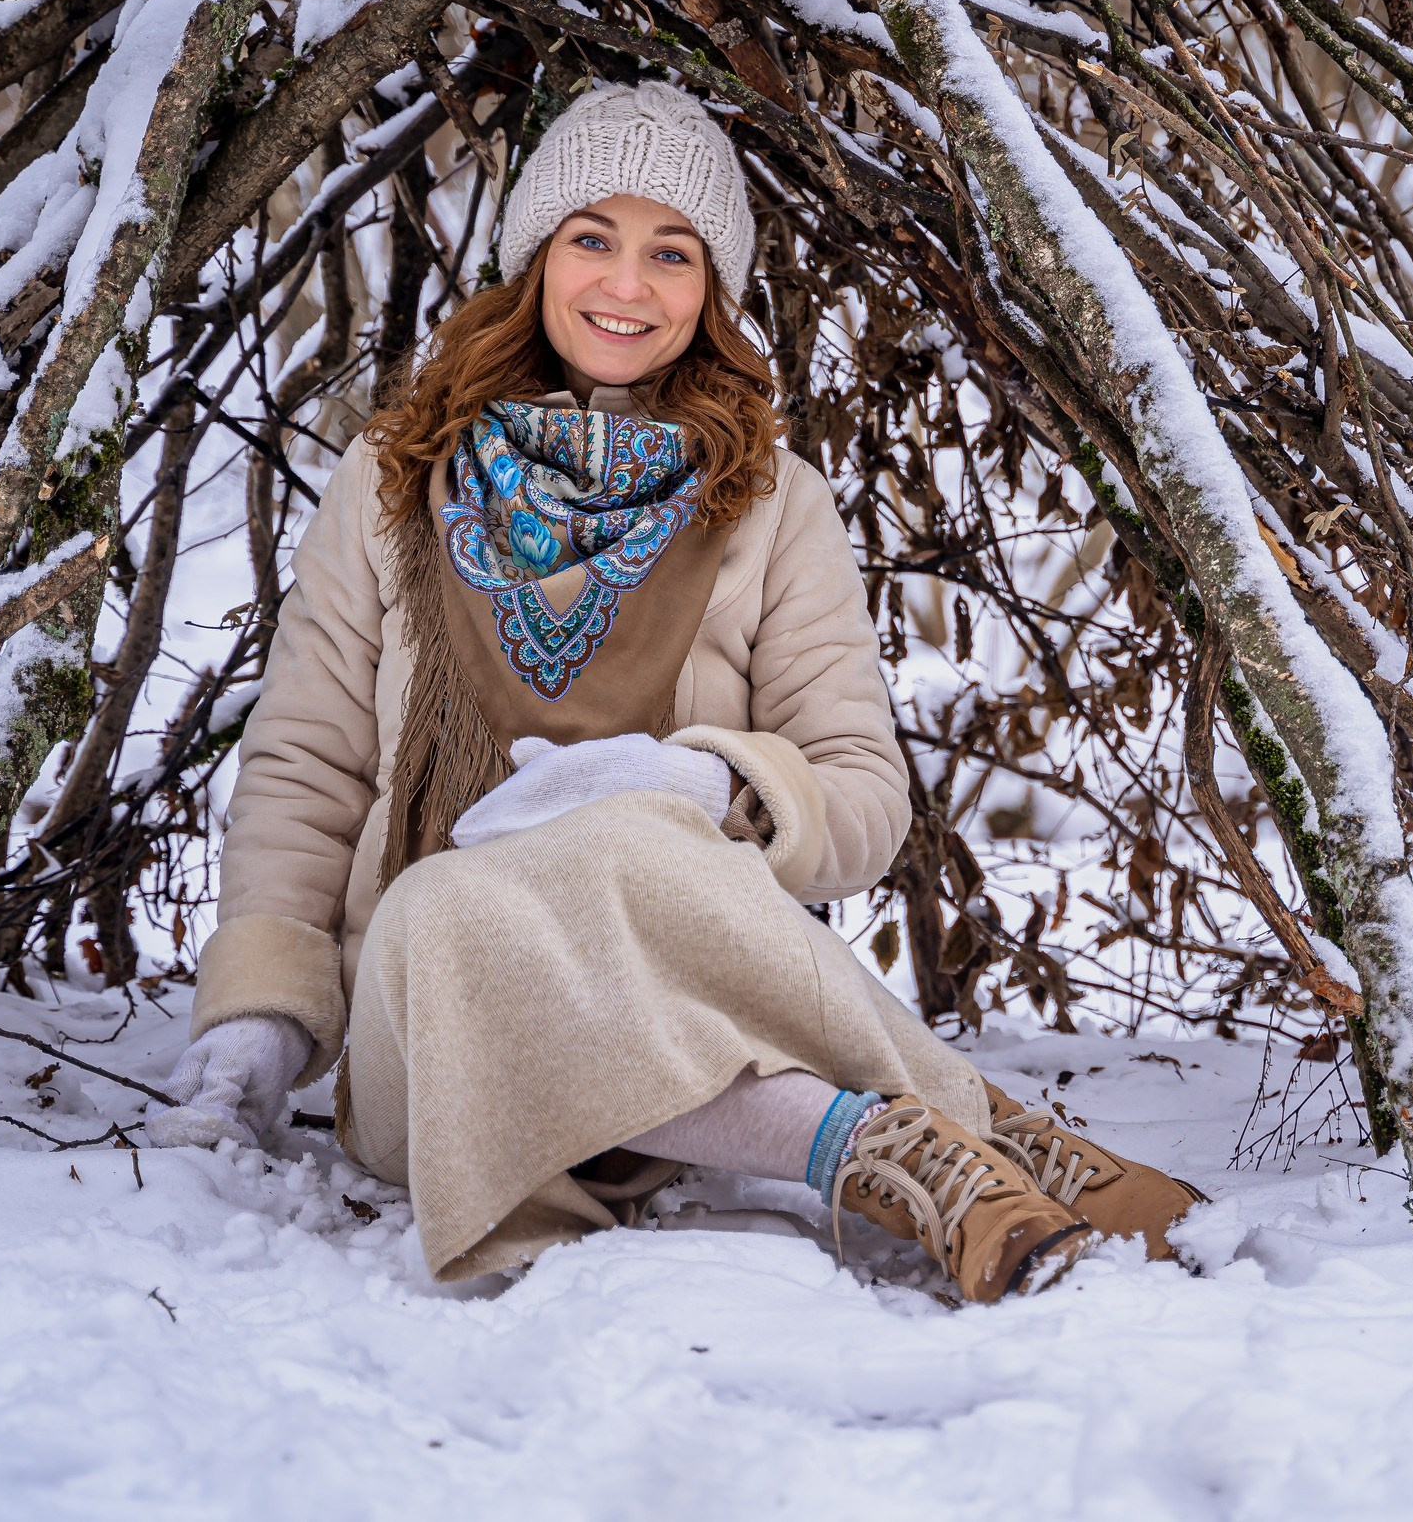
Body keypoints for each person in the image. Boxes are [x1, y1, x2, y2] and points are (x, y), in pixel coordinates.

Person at [146, 82, 1201, 1302]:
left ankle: (917, 1158)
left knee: (634, 825)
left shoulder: (771, 502)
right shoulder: (395, 485)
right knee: (443, 904)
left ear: (714, 290)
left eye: (671, 253)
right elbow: (307, 767)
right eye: (592, 238)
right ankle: (962, 1128)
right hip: (440, 1056)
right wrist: (254, 1032)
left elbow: (861, 796)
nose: (626, 286)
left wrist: (705, 785)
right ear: (537, 257)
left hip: (694, 1007)